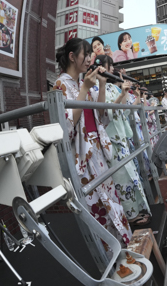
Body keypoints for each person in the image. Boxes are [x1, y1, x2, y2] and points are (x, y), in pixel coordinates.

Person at [53, 38, 132, 246]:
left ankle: (123, 247)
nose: (89, 59)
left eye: (90, 55)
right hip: (82, 155)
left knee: (111, 201)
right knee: (96, 205)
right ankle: (109, 255)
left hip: (96, 150)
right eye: (85, 54)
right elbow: (66, 129)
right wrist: (84, 89)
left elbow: (101, 119)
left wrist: (101, 86)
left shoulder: (82, 83)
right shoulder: (60, 85)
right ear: (72, 57)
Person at [98, 55, 151, 227]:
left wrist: (125, 93)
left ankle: (138, 209)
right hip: (112, 139)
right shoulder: (99, 89)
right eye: (109, 66)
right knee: (122, 178)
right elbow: (107, 114)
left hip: (120, 135)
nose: (112, 69)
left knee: (131, 175)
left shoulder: (112, 88)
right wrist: (122, 93)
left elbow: (124, 111)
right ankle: (131, 215)